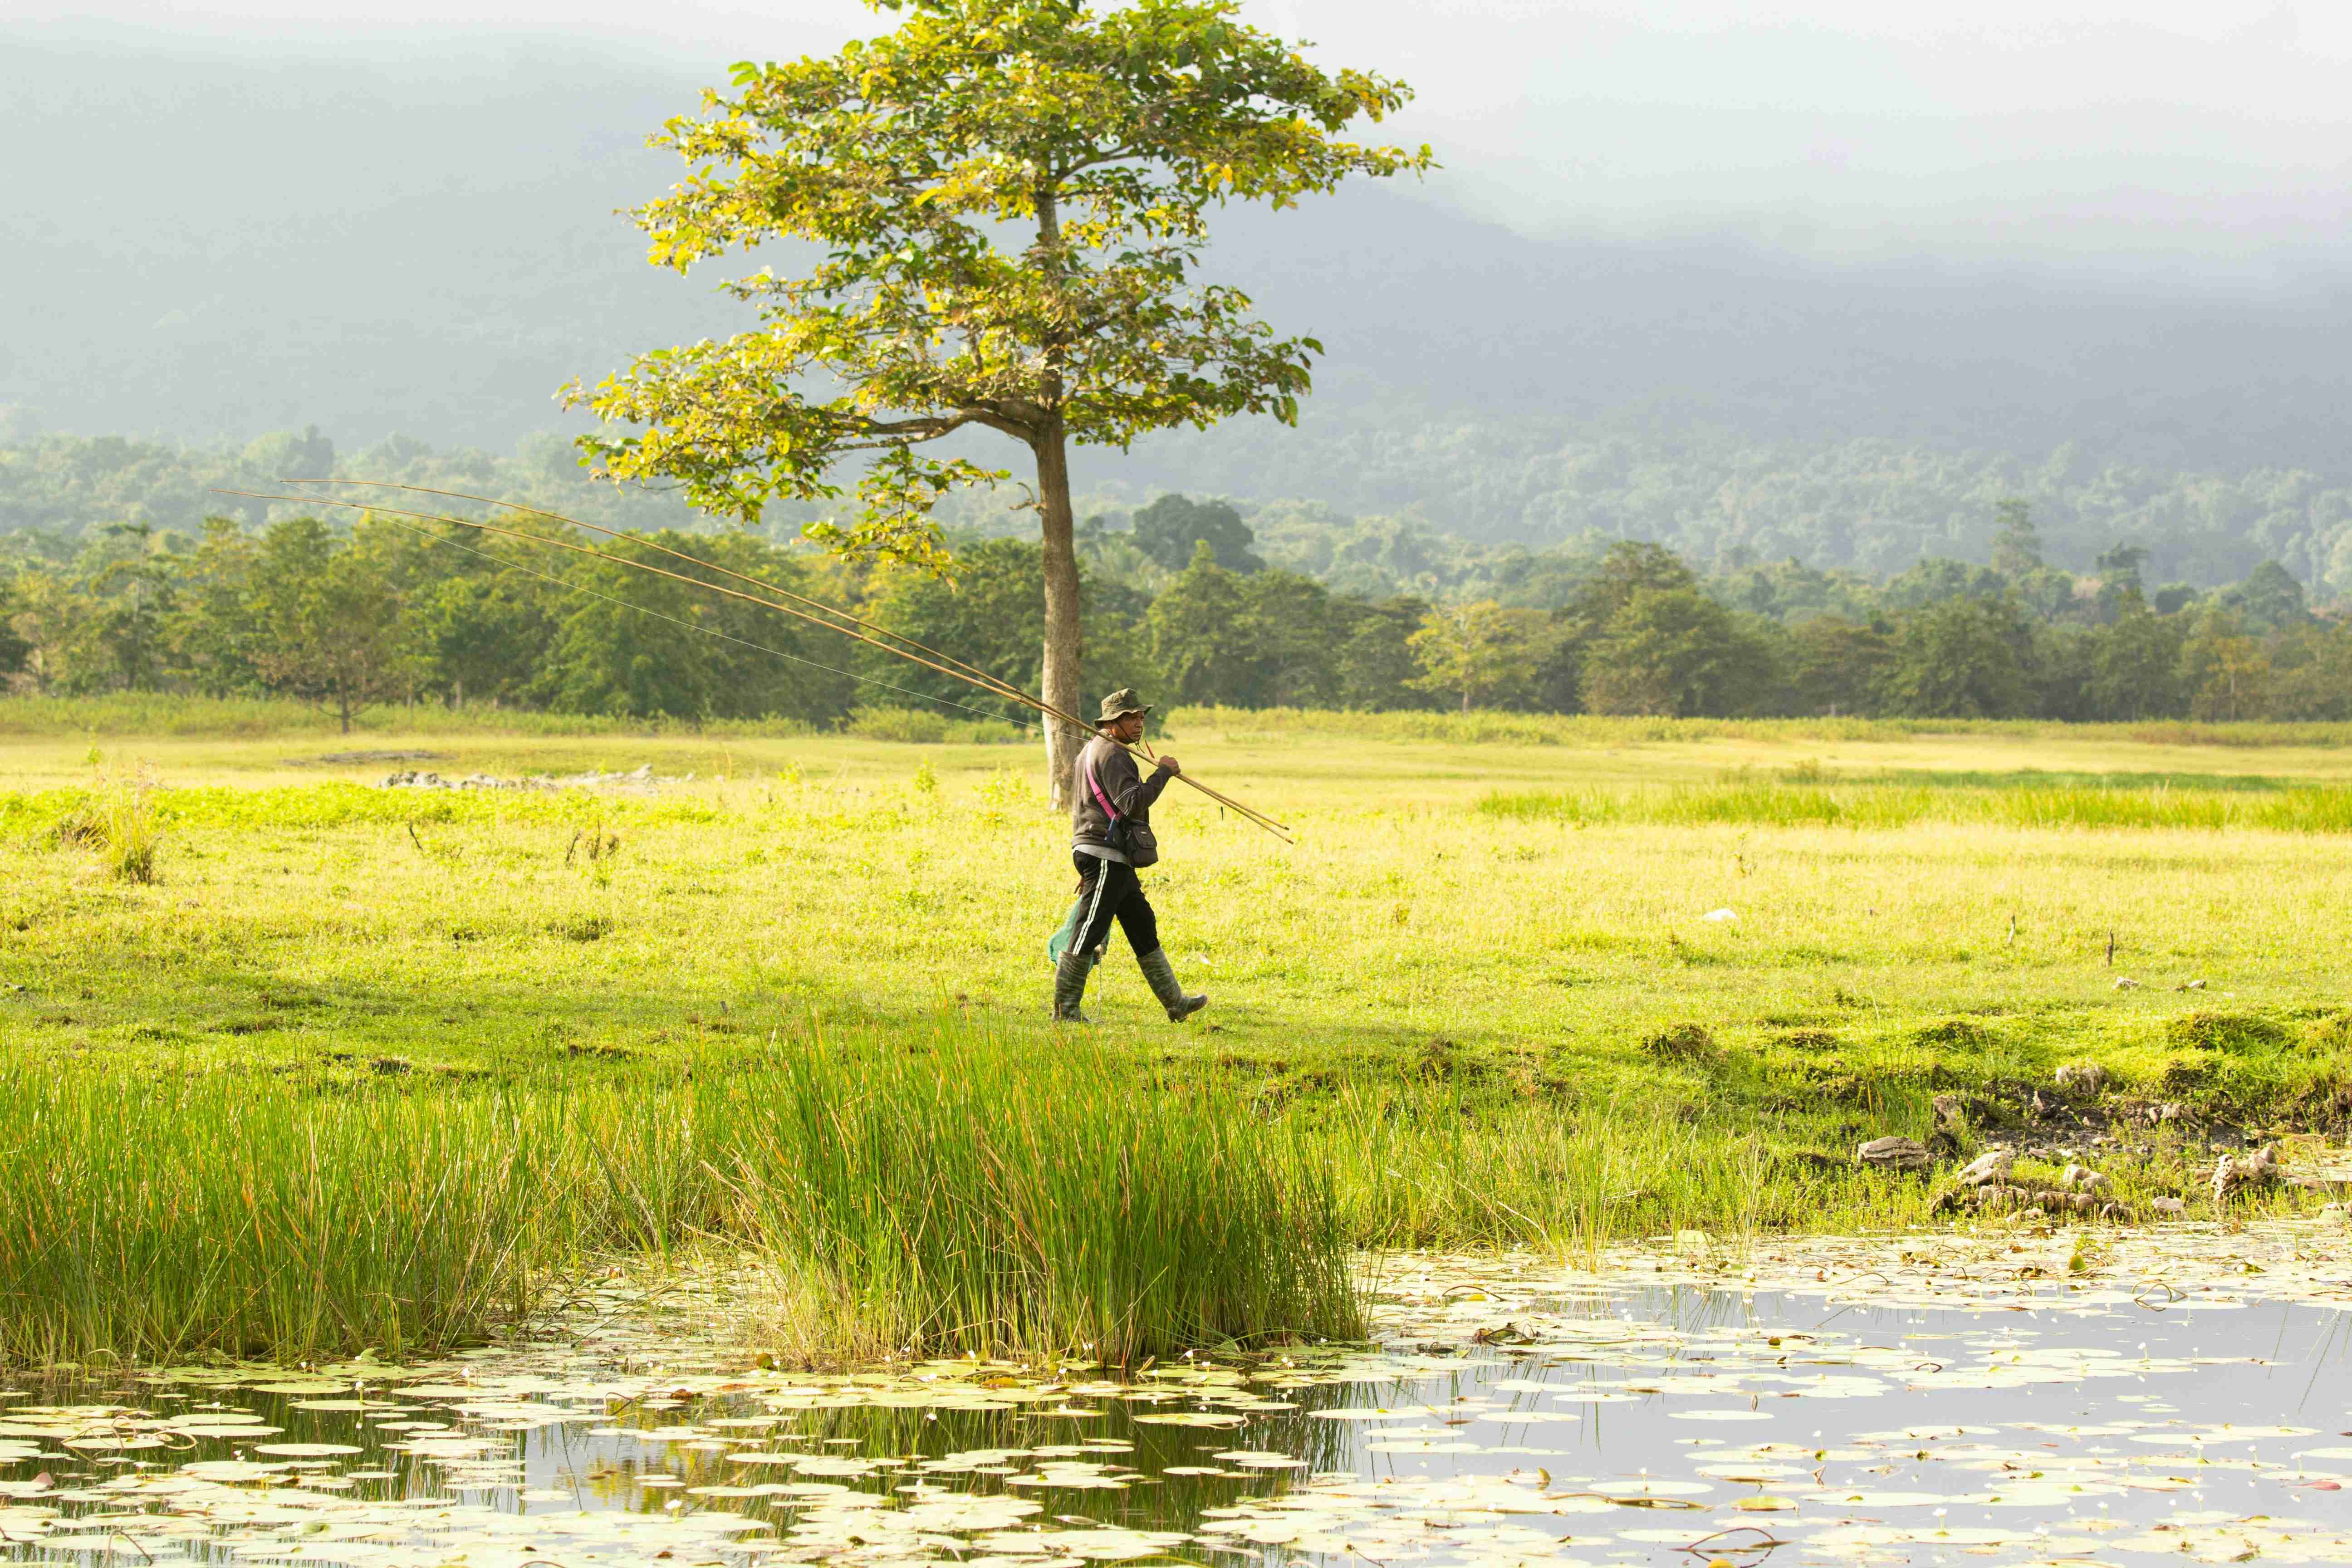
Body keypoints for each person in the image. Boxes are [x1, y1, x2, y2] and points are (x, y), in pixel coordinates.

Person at [1053, 689, 1210, 1024]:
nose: (1139, 723)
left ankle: (1175, 1003)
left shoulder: (1093, 750)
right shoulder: (1112, 754)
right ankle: (1065, 1012)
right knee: (1088, 930)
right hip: (1104, 854)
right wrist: (1163, 773)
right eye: (1131, 718)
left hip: (1108, 856)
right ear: (1112, 722)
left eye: (1141, 717)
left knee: (1142, 923)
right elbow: (1132, 803)